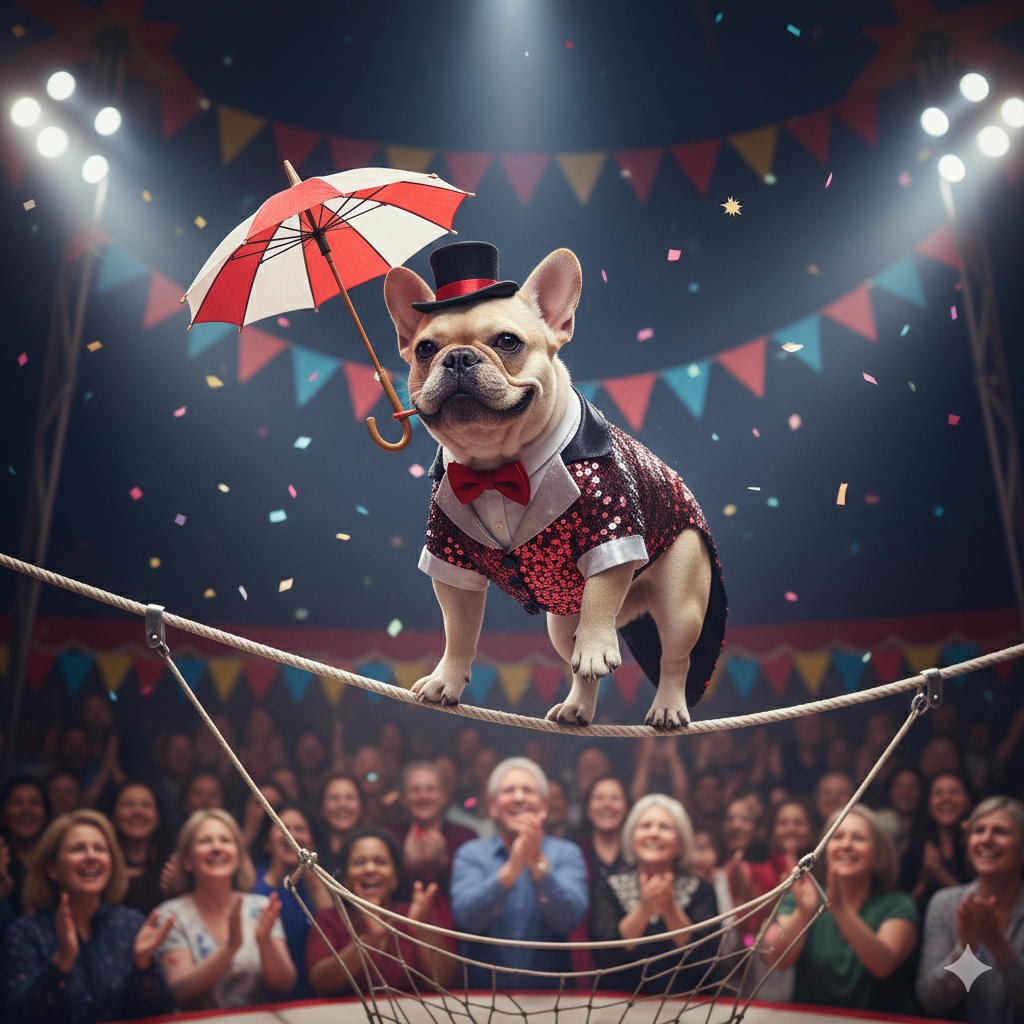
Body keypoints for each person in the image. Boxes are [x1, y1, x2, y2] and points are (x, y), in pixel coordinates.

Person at [3, 809, 174, 1024]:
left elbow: (163, 1013)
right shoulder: (26, 933)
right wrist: (62, 961)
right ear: (53, 868)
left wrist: (143, 965)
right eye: (78, 849)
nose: (91, 856)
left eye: (100, 849)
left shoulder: (130, 924)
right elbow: (16, 1017)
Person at [764, 804, 919, 1014]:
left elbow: (883, 965)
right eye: (837, 837)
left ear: (879, 855)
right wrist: (803, 913)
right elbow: (777, 961)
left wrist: (839, 908)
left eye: (858, 838)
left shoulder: (898, 904)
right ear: (825, 849)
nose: (846, 845)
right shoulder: (803, 897)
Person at [450, 757, 588, 989]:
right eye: (509, 790)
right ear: (492, 805)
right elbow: (466, 918)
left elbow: (571, 918)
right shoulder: (471, 854)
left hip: (553, 999)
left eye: (527, 790)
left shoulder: (567, 853)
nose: (519, 797)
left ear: (544, 805)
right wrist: (512, 869)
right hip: (482, 998)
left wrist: (537, 863)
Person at [154, 808, 296, 1009]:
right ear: (187, 860)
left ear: (238, 855)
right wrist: (230, 947)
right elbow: (180, 994)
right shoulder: (170, 915)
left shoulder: (260, 907)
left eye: (226, 840)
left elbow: (285, 987)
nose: (217, 848)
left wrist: (265, 943)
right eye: (205, 841)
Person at [590, 793, 720, 995]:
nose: (654, 834)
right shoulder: (607, 886)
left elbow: (706, 959)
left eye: (664, 827)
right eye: (645, 826)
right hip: (619, 1008)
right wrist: (644, 909)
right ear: (632, 839)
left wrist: (669, 910)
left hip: (686, 1007)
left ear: (680, 843)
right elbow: (605, 958)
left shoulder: (702, 890)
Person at [306, 828, 457, 995]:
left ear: (394, 878)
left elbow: (446, 983)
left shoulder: (412, 915)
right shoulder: (329, 921)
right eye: (359, 863)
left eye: (380, 862)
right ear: (346, 879)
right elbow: (320, 985)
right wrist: (368, 940)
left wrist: (421, 931)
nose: (370, 869)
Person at [915, 795, 1024, 1023]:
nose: (987, 839)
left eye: (1001, 832)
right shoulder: (945, 903)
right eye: (979, 830)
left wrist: (997, 946)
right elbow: (931, 1002)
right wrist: (967, 950)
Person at [253, 803, 333, 997]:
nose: (292, 835)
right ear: (266, 842)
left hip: (317, 997)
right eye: (283, 828)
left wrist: (313, 881)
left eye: (300, 829)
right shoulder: (251, 884)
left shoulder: (324, 885)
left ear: (312, 842)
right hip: (264, 998)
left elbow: (333, 935)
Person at [390, 762, 475, 897]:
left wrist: (442, 863)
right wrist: (408, 865)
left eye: (430, 789)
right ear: (403, 799)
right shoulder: (391, 838)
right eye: (415, 790)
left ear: (444, 796)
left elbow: (471, 893)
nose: (423, 796)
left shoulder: (465, 836)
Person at [900, 770, 973, 911]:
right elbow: (903, 908)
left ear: (969, 801)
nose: (946, 798)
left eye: (954, 792)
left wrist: (939, 872)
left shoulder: (980, 844)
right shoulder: (914, 846)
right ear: (928, 806)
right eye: (938, 793)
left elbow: (978, 906)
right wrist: (925, 881)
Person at [110, 781, 168, 915]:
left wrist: (177, 887)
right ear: (114, 815)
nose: (137, 811)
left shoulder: (171, 868)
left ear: (158, 816)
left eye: (146, 805)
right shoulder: (101, 865)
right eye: (128, 804)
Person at [0, 777, 50, 917]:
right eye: (17, 803)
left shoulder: (57, 857)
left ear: (46, 813)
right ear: (3, 815)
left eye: (35, 803)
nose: (26, 809)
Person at [318, 772, 364, 876]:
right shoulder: (311, 850)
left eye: (350, 798)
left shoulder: (373, 850)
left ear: (361, 805)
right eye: (334, 798)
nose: (342, 804)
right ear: (322, 806)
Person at [875, 765, 924, 858]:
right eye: (899, 785)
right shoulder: (876, 825)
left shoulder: (930, 829)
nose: (906, 792)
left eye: (913, 786)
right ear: (889, 789)